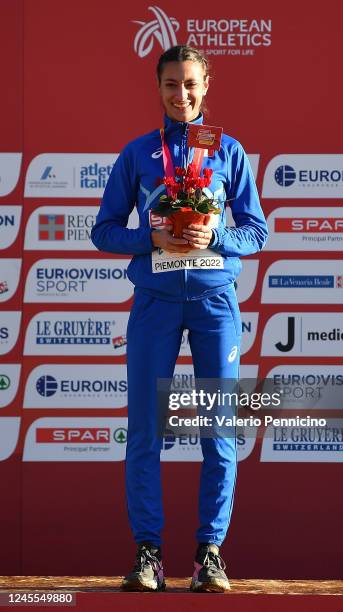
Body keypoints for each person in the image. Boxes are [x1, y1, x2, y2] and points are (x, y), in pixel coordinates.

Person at [91, 44, 268, 593]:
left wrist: (214, 233)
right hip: (155, 305)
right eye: (171, 84)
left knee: (217, 432)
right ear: (158, 88)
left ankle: (209, 555)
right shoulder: (138, 154)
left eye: (190, 84)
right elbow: (103, 230)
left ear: (205, 87)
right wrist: (152, 238)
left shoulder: (228, 152)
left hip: (215, 304)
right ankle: (149, 555)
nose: (181, 94)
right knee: (146, 430)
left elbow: (256, 231)